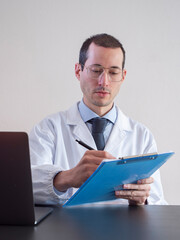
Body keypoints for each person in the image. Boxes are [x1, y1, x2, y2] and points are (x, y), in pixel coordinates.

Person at [29, 33, 167, 205]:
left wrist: (143, 200)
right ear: (78, 71)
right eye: (96, 70)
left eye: (113, 72)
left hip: (124, 231)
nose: (104, 82)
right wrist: (66, 177)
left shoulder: (142, 136)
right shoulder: (48, 129)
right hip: (66, 231)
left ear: (123, 76)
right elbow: (23, 188)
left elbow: (158, 203)